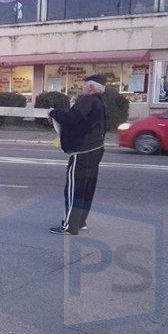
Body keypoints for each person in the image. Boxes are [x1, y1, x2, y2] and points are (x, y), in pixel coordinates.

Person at [47, 74, 107, 235]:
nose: (83, 88)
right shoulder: (100, 102)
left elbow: (71, 118)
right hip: (96, 149)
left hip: (82, 151)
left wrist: (53, 112)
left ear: (91, 87)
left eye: (85, 85)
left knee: (75, 188)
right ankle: (80, 221)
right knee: (87, 187)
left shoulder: (87, 101)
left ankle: (69, 226)